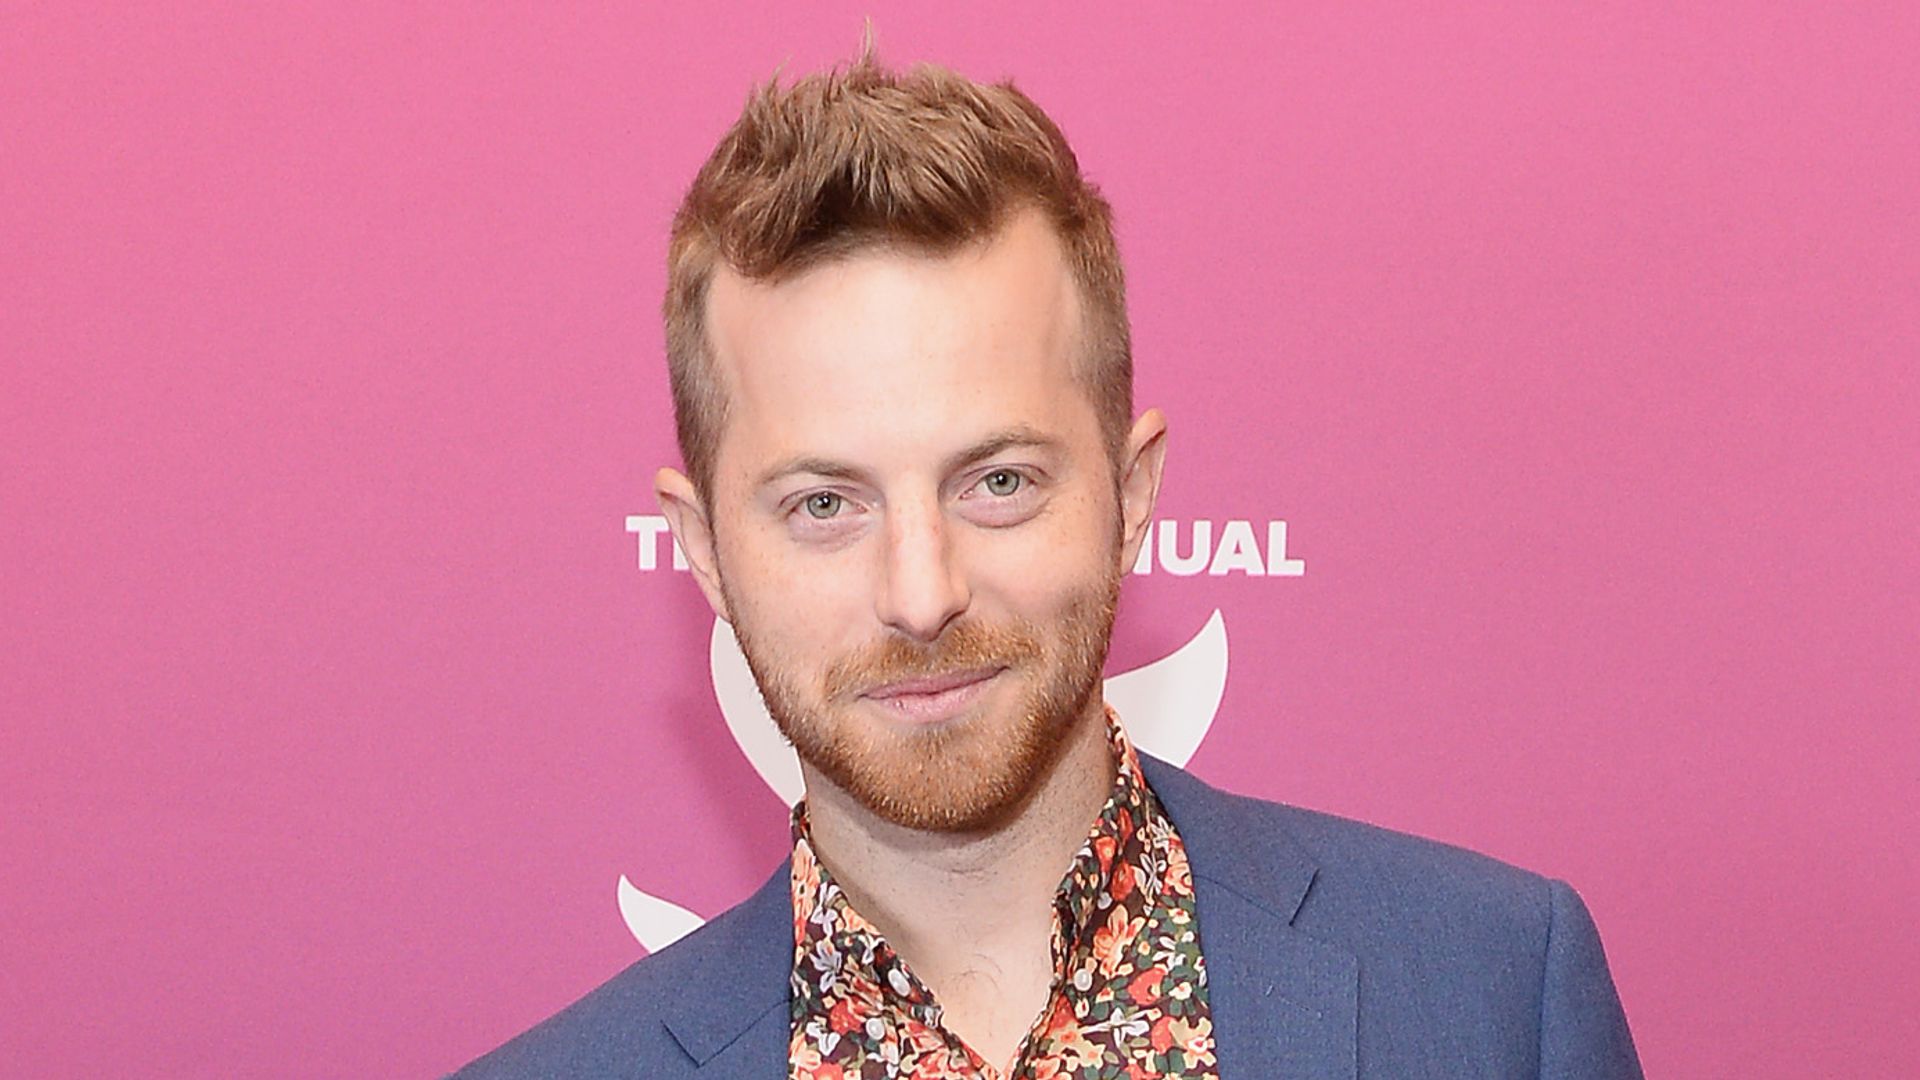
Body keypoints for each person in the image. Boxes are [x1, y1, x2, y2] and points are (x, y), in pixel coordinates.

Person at [458, 46, 1643, 1080]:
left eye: (1000, 483)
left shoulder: (1491, 997)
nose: (922, 594)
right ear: (706, 553)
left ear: (1131, 498)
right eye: (825, 503)